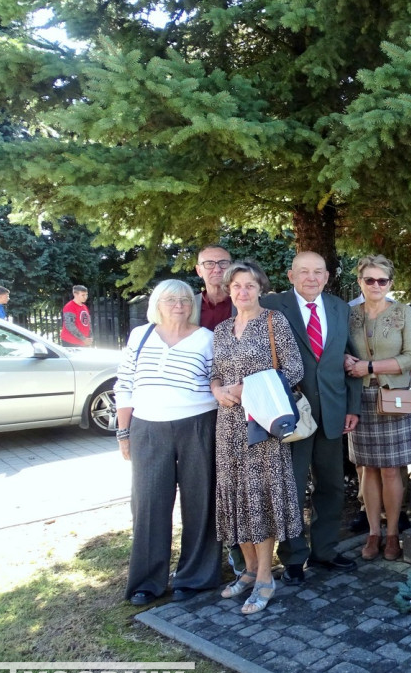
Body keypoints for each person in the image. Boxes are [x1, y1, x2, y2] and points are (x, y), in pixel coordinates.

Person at [115, 280, 221, 606]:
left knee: (200, 501)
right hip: (148, 428)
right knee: (148, 503)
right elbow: (125, 385)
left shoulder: (207, 339)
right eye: (171, 299)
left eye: (185, 299)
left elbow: (216, 381)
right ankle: (148, 581)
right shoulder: (141, 335)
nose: (179, 305)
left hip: (198, 425)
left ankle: (195, 576)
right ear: (157, 303)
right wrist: (123, 432)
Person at [260, 251, 361, 582]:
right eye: (304, 272)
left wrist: (352, 407)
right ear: (291, 276)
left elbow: (351, 361)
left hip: (332, 413)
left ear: (327, 277)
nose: (311, 278)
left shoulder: (339, 308)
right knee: (291, 487)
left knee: (330, 486)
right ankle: (292, 557)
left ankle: (325, 551)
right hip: (292, 416)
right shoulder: (273, 306)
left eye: (318, 272)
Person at [211, 260, 304, 614]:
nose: (242, 292)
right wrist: (219, 389)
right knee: (237, 498)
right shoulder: (221, 330)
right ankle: (249, 571)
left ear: (260, 289)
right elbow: (214, 373)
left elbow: (294, 368)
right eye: (236, 286)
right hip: (227, 427)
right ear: (229, 290)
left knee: (260, 499)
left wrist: (246, 387)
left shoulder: (273, 322)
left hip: (261, 426)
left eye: (249, 285)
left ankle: (266, 577)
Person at [343, 255, 411, 561]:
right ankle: (373, 532)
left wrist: (370, 367)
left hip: (393, 397)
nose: (376, 285)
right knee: (368, 469)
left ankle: (392, 535)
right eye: (369, 280)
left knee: (390, 469)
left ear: (390, 283)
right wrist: (346, 361)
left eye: (382, 280)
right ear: (360, 281)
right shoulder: (348, 314)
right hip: (358, 399)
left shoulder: (403, 312)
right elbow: (337, 348)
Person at [194, 245, 234, 331]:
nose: (217, 269)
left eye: (223, 263)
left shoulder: (246, 303)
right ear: (199, 271)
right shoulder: (188, 306)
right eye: (209, 263)